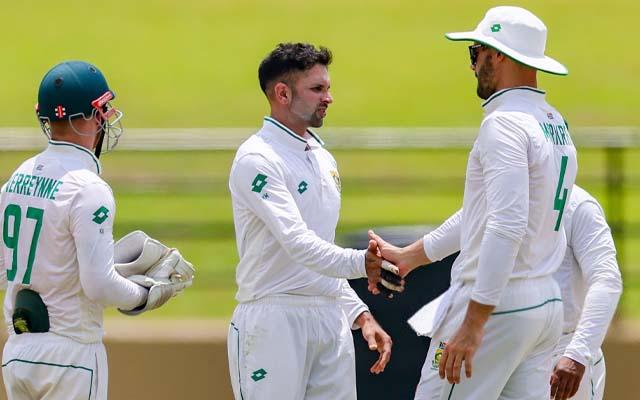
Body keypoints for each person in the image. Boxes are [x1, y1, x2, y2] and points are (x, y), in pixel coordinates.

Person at [369, 6, 578, 399]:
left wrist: (474, 321)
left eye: (475, 53)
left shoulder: (504, 123)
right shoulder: (554, 122)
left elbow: (506, 223)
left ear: (498, 55)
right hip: (545, 304)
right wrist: (413, 255)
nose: (473, 65)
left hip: (498, 304)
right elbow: (483, 213)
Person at [0, 61, 191, 399]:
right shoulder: (88, 187)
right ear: (86, 117)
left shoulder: (18, 176)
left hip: (17, 355)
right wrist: (144, 294)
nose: (107, 117)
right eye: (102, 109)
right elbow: (99, 285)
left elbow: (6, 270)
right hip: (71, 355)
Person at [227, 42, 398, 400]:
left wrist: (359, 313)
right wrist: (360, 261)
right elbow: (298, 242)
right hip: (273, 318)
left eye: (328, 87)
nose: (329, 97)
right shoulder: (257, 159)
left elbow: (320, 248)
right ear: (283, 93)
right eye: (317, 89)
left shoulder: (322, 158)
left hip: (328, 318)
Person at [550, 185, 622, 400]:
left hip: (561, 352)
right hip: (505, 345)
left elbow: (606, 279)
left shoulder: (579, 206)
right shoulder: (501, 194)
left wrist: (577, 354)